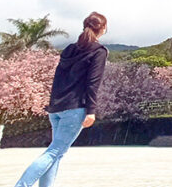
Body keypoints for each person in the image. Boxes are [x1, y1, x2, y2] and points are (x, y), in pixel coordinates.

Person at [15, 12, 109, 187]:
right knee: (54, 152)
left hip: (57, 108)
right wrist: (91, 111)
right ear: (103, 29)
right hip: (75, 109)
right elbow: (93, 83)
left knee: (56, 153)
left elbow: (58, 78)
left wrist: (54, 104)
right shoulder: (99, 51)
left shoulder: (69, 49)